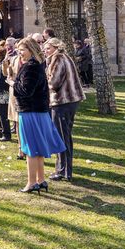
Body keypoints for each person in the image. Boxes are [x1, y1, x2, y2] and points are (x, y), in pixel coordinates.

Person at [7, 38, 65, 194]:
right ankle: (41, 180)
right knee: (37, 149)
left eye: (22, 50)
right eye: (18, 50)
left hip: (30, 112)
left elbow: (26, 90)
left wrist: (12, 83)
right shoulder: (36, 65)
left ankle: (31, 182)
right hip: (37, 111)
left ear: (31, 50)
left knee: (31, 149)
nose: (20, 53)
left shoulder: (31, 67)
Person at [44, 38, 86, 182]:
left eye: (48, 48)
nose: (45, 51)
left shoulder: (57, 59)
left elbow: (54, 83)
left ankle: (64, 171)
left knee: (62, 136)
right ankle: (63, 169)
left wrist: (45, 78)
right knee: (65, 135)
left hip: (63, 101)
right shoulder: (64, 57)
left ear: (56, 47)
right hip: (70, 100)